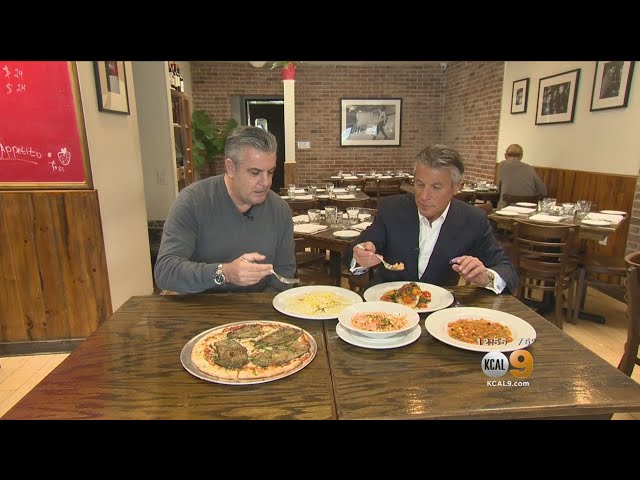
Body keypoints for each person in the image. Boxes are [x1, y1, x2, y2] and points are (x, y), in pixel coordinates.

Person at [350, 144, 517, 293]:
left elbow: (507, 271)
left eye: (436, 187)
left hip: (441, 307)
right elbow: (355, 250)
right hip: (386, 303)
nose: (424, 196)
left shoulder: (472, 219)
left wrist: (485, 277)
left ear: (456, 187)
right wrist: (360, 256)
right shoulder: (391, 208)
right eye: (420, 184)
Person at [154, 125, 296, 294]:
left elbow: (284, 274)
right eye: (255, 172)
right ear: (231, 168)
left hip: (259, 306)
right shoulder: (193, 202)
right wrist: (225, 273)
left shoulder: (280, 210)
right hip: (200, 305)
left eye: (270, 172)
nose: (266, 182)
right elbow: (166, 271)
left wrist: (261, 307)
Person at [496, 143, 547, 209]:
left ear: (505, 155)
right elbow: (543, 191)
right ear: (521, 156)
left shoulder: (502, 165)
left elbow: (498, 188)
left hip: (506, 208)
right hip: (528, 209)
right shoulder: (529, 168)